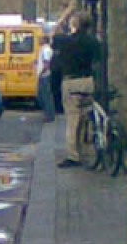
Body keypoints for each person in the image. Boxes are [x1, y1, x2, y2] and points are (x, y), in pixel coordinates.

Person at [55, 12, 101, 165]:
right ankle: (88, 149)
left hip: (71, 82)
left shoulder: (66, 41)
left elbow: (54, 33)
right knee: (86, 116)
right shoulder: (93, 42)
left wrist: (65, 15)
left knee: (73, 118)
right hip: (88, 81)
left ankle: (73, 155)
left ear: (74, 25)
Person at [37, 37, 55, 122]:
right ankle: (48, 114)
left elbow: (46, 63)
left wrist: (41, 73)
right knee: (43, 96)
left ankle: (49, 115)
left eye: (40, 39)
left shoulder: (46, 50)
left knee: (45, 97)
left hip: (44, 76)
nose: (39, 40)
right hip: (44, 75)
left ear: (44, 40)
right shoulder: (44, 49)